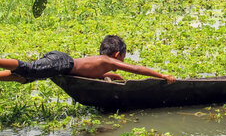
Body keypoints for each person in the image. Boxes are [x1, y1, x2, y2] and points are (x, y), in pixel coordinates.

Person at [0, 35, 176, 84]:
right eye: (123, 57)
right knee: (29, 69)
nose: (122, 62)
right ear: (117, 55)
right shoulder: (110, 61)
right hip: (62, 62)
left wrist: (115, 79)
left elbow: (99, 74)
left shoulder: (101, 65)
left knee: (24, 77)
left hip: (61, 63)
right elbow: (137, 69)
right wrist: (163, 76)